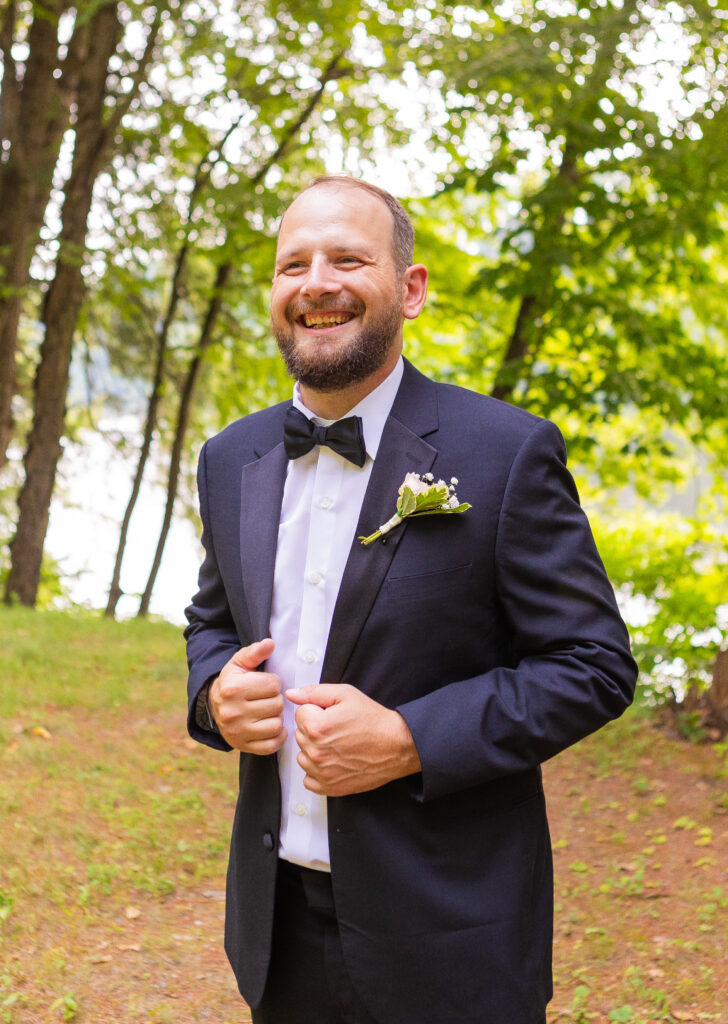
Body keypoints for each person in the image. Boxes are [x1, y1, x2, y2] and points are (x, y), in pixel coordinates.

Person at [184, 175, 637, 1024]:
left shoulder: (507, 453)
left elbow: (595, 666)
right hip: (275, 931)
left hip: (452, 935)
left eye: (348, 258)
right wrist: (215, 694)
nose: (316, 283)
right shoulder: (229, 458)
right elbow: (213, 622)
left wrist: (410, 738)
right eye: (293, 265)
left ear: (411, 288)